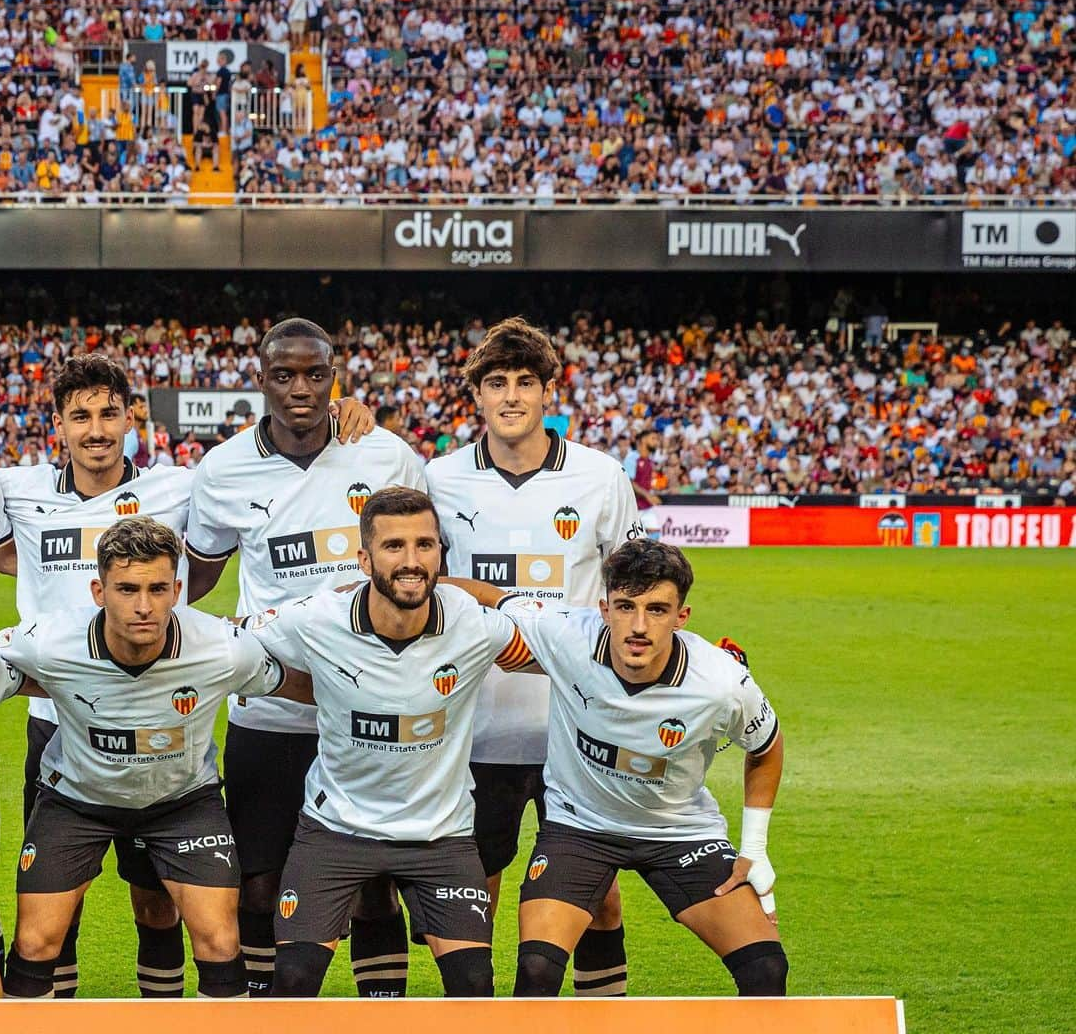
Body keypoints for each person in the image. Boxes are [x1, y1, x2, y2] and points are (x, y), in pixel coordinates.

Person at [336, 316, 643, 999]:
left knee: (599, 898)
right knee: (473, 901)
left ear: (547, 392)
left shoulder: (600, 477)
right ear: (473, 394)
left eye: (525, 383)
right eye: (495, 383)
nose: (511, 397)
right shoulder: (439, 479)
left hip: (578, 730)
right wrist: (346, 413)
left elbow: (637, 587)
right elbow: (400, 558)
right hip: (473, 728)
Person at [184, 318, 412, 997]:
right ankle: (263, 1022)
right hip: (270, 714)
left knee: (372, 885)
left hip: (368, 711)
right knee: (258, 880)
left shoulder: (385, 455)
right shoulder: (223, 470)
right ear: (261, 380)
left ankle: (384, 1015)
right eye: (283, 375)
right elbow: (195, 578)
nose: (301, 389)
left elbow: (425, 564)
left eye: (315, 374)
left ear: (335, 376)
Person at [455, 540, 787, 998]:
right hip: (580, 829)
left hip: (679, 832)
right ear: (604, 608)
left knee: (767, 969)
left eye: (657, 610)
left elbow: (767, 746)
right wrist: (387, 588)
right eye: (625, 607)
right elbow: (489, 595)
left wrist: (755, 847)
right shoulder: (567, 632)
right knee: (535, 968)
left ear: (681, 617)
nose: (638, 626)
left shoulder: (721, 681)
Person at [0, 517, 311, 1001]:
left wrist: (386, 699)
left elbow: (293, 684)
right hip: (76, 800)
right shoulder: (49, 640)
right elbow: (10, 672)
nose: (143, 606)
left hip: (182, 802)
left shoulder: (223, 650)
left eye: (158, 589)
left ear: (177, 590)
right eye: (126, 589)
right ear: (99, 591)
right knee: (37, 940)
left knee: (220, 939)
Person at [248, 487, 531, 999]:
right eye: (394, 546)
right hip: (336, 829)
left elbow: (568, 649)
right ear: (364, 559)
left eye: (425, 546)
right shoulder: (316, 619)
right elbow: (230, 648)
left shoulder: (473, 624)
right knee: (290, 982)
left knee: (473, 986)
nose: (411, 561)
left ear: (441, 556)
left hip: (439, 833)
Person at [0, 355, 194, 998]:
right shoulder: (18, 491)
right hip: (55, 725)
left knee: (157, 899)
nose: (97, 429)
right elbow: (7, 553)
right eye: (80, 415)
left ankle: (162, 1028)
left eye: (109, 412)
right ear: (58, 423)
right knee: (57, 899)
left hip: (154, 721)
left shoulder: (177, 488)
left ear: (130, 416)